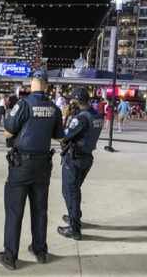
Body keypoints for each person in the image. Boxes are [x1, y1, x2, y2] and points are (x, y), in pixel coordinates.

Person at [0, 71, 64, 270]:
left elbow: (8, 130)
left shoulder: (23, 105)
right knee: (40, 209)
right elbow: (59, 136)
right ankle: (40, 251)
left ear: (32, 83)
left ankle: (10, 256)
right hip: (43, 165)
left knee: (15, 210)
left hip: (21, 165)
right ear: (47, 86)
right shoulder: (54, 108)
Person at [58, 88, 103, 240]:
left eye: (73, 100)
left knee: (69, 192)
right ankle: (74, 216)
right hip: (87, 158)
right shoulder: (97, 115)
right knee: (74, 190)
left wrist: (66, 117)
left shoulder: (81, 118)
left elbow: (64, 136)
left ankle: (74, 228)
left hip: (75, 159)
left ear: (77, 101)